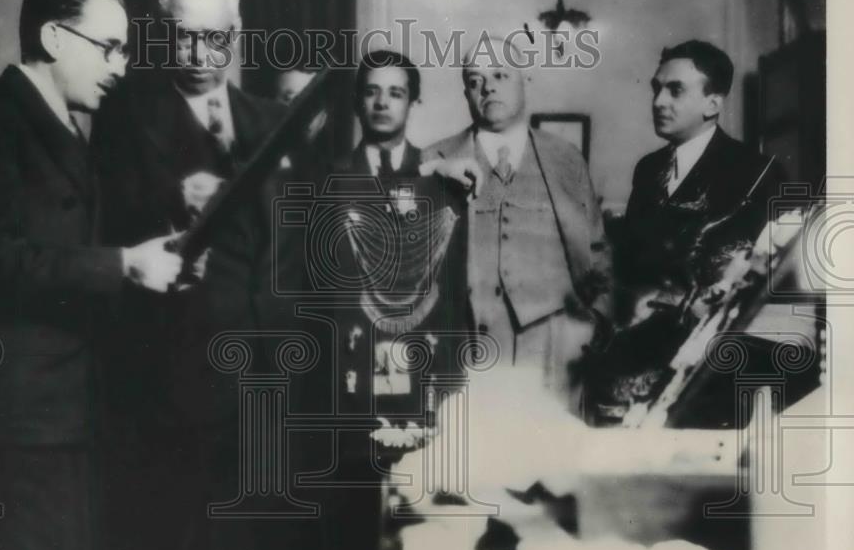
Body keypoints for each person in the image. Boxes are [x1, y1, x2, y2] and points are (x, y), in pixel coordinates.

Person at [0, 0, 185, 550]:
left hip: (71, 410)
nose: (121, 68)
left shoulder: (65, 127)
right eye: (108, 48)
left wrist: (155, 263)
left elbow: (60, 253)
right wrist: (124, 266)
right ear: (51, 37)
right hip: (24, 420)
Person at [94, 0, 289, 550]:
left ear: (237, 33)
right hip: (173, 379)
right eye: (184, 36)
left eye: (215, 36)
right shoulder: (119, 115)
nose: (201, 53)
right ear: (161, 35)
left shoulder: (268, 119)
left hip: (266, 373)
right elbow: (101, 229)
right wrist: (171, 205)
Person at [421, 35, 612, 412]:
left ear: (526, 80)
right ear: (466, 94)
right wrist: (428, 172)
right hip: (466, 346)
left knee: (551, 462)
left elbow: (597, 252)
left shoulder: (566, 160)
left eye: (500, 74)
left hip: (554, 351)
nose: (488, 86)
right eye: (475, 80)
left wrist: (594, 326)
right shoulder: (434, 159)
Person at [617, 40, 785, 321]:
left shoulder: (760, 172)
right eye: (657, 89)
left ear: (713, 104)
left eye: (676, 90)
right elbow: (629, 265)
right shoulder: (647, 169)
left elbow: (768, 278)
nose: (659, 102)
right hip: (639, 336)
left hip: (712, 344)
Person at [336, 49, 423, 179]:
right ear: (357, 103)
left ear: (412, 105)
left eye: (395, 94)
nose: (382, 102)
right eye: (371, 92)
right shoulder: (331, 174)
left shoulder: (432, 169)